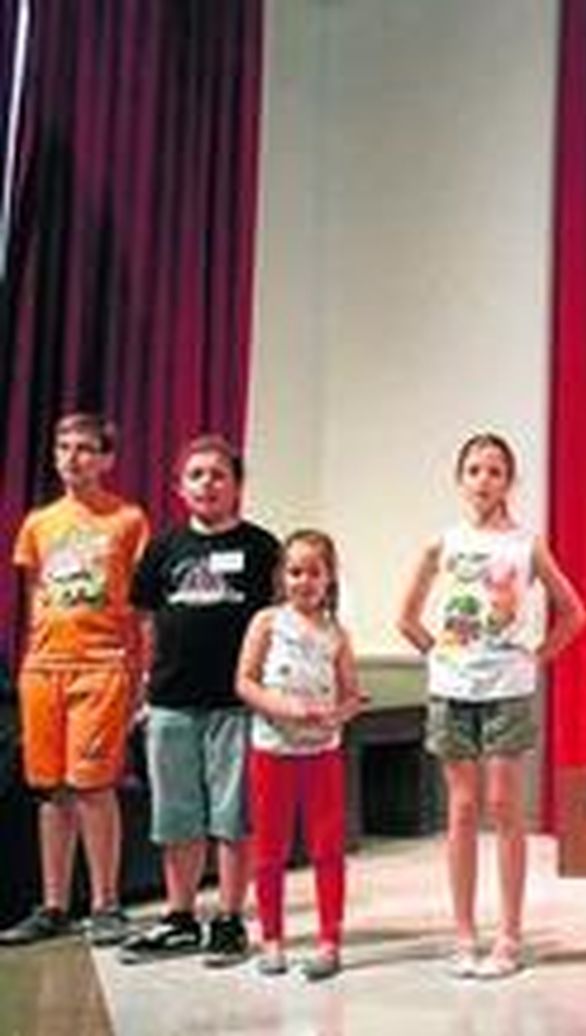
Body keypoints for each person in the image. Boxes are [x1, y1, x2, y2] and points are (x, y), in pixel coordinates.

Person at [397, 432, 586, 980]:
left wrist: (535, 658)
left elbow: (574, 613)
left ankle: (509, 933)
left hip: (507, 687)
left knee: (505, 805)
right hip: (452, 687)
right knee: (460, 809)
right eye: (475, 470)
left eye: (495, 471)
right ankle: (463, 933)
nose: (484, 480)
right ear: (461, 479)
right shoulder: (444, 543)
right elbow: (407, 616)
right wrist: (439, 656)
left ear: (510, 481)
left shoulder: (527, 545)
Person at [119, 435, 279, 968]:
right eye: (196, 475)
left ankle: (230, 919)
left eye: (218, 474)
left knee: (233, 817)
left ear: (237, 486)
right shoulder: (163, 549)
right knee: (177, 815)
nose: (207, 483)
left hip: (236, 705)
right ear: (180, 487)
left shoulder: (262, 548)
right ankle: (180, 918)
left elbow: (282, 623)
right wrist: (143, 685)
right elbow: (144, 622)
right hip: (171, 703)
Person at [1, 413, 149, 948]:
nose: (72, 457)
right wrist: (31, 664)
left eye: (86, 448)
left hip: (102, 663)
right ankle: (54, 904)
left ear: (107, 458)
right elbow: (37, 598)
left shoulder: (128, 519)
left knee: (92, 786)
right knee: (52, 789)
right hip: (44, 669)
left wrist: (142, 673)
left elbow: (140, 605)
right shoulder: (38, 523)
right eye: (63, 446)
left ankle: (106, 903)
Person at [236, 529, 363, 981]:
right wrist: (284, 707)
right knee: (270, 850)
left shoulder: (337, 635)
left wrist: (337, 717)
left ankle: (330, 941)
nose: (303, 580)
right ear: (281, 575)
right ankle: (272, 940)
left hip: (321, 756)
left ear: (329, 578)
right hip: (272, 752)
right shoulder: (267, 622)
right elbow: (245, 681)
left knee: (327, 848)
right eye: (294, 571)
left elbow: (352, 695)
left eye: (314, 572)